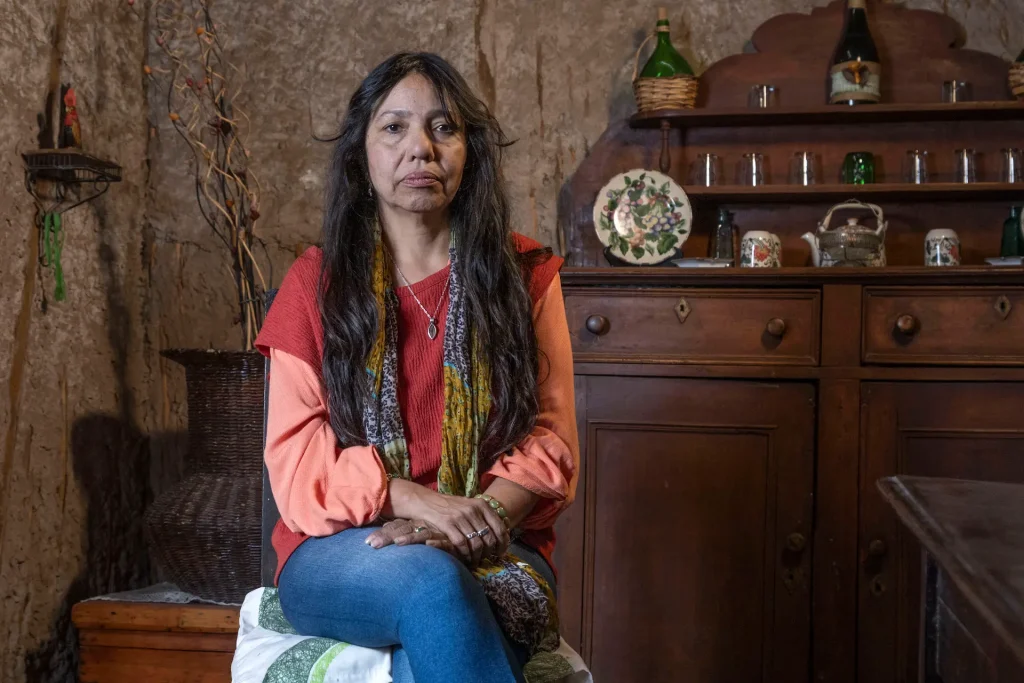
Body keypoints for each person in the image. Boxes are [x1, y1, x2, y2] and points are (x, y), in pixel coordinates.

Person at [254, 52, 579, 683]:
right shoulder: (314, 284)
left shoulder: (526, 276)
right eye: (394, 127)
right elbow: (297, 469)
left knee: (426, 646)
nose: (420, 149)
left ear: (469, 152)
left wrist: (479, 520)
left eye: (443, 127)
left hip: (498, 539)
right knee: (433, 584)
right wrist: (418, 502)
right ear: (361, 155)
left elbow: (551, 440)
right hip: (342, 551)